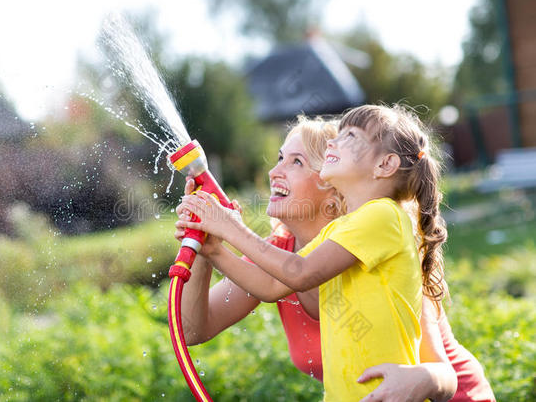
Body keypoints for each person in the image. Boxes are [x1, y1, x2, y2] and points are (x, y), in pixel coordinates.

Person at [176, 111, 495, 401]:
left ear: (332, 189)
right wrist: (210, 247)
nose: (274, 172)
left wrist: (230, 228)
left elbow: (443, 374)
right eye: (279, 158)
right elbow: (194, 329)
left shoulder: (379, 234)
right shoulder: (284, 253)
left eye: (296, 162)